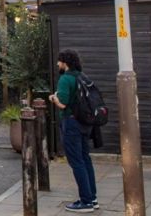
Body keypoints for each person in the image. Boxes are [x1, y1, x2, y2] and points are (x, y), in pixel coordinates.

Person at [49, 49, 98, 213]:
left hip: (71, 123)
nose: (57, 64)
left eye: (59, 61)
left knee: (76, 162)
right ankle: (92, 198)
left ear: (65, 62)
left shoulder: (65, 79)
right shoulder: (82, 77)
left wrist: (53, 98)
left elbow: (62, 103)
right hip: (84, 123)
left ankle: (86, 201)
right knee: (85, 159)